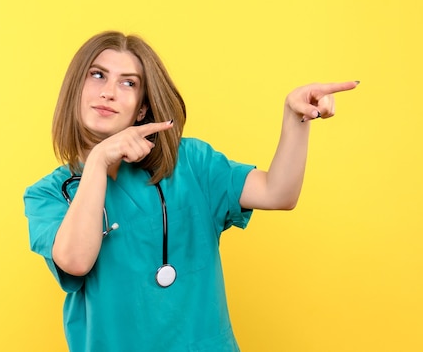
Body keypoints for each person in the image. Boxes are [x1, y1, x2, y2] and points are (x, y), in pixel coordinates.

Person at [23, 31, 358, 352]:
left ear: (141, 109)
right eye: (98, 75)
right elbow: (76, 261)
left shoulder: (191, 164)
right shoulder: (48, 195)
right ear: (75, 89)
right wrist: (97, 161)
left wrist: (296, 118)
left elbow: (278, 193)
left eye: (128, 83)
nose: (109, 92)